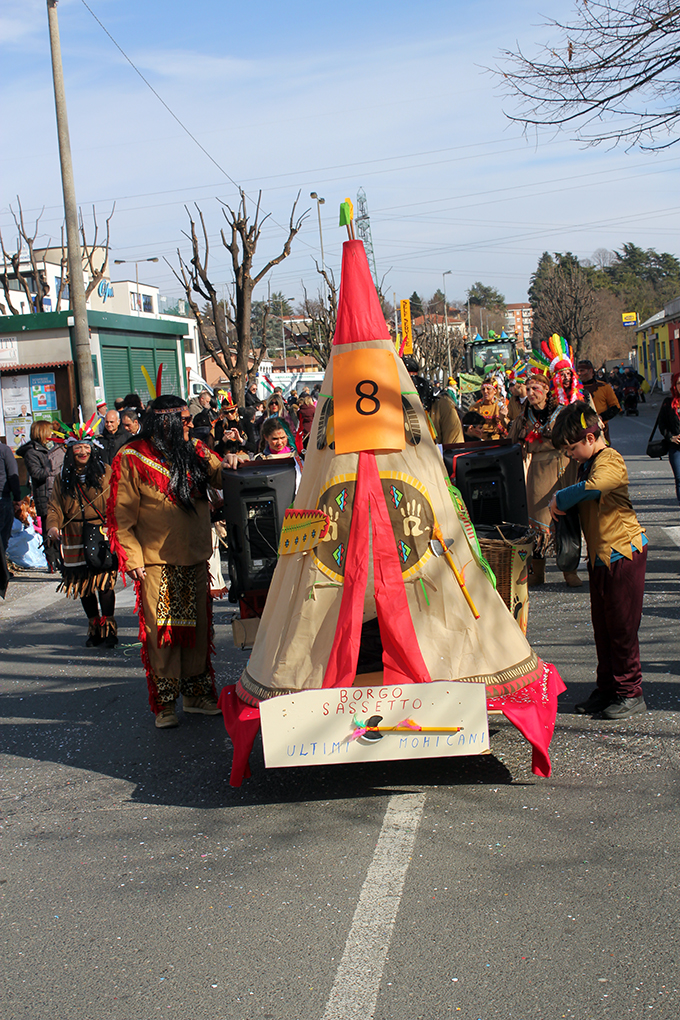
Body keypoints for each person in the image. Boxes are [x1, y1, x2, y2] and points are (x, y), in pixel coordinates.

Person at [107, 394, 232, 729]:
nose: (191, 424)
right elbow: (120, 515)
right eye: (185, 420)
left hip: (194, 556)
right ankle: (164, 702)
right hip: (155, 562)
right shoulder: (131, 457)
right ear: (167, 422)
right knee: (162, 633)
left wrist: (234, 458)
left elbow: (222, 477)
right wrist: (130, 556)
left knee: (198, 629)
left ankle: (196, 695)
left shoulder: (196, 451)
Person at [550, 401, 647, 719]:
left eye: (572, 447)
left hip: (623, 553)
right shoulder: (586, 462)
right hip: (601, 557)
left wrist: (561, 499)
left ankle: (630, 691)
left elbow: (596, 487)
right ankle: (608, 688)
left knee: (621, 628)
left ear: (591, 438)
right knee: (603, 629)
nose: (570, 454)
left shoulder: (610, 459)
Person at [46, 429, 118, 647]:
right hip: (74, 535)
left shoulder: (105, 472)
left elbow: (118, 498)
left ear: (93, 449)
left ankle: (109, 631)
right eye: (78, 447)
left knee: (104, 583)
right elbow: (54, 507)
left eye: (86, 447)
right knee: (84, 585)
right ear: (70, 451)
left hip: (100, 531)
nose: (83, 451)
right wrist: (52, 527)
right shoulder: (62, 478)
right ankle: (94, 629)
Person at [510, 365, 581, 587]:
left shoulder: (561, 412)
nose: (531, 393)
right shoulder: (524, 416)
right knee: (538, 525)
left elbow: (573, 437)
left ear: (547, 390)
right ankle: (537, 573)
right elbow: (514, 440)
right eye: (528, 389)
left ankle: (569, 572)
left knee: (565, 519)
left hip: (563, 467)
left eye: (535, 389)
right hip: (537, 471)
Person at [16, 420, 53, 541]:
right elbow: (37, 473)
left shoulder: (46, 449)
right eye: (50, 432)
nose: (52, 435)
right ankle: (51, 559)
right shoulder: (32, 452)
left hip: (52, 495)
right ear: (43, 433)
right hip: (44, 496)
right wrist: (51, 467)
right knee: (49, 533)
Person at [577, 359, 620, 439]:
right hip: (579, 430)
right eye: (578, 371)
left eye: (582, 371)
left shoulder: (604, 387)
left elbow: (615, 407)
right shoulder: (575, 389)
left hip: (601, 429)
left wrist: (600, 417)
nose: (579, 373)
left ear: (590, 371)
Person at [658, 371, 680, 509]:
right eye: (679, 383)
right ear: (674, 385)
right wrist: (671, 437)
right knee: (679, 477)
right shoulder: (668, 403)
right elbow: (662, 424)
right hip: (676, 447)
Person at [0, 440, 22, 553]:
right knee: (3, 535)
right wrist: (17, 498)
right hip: (2, 497)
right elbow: (13, 475)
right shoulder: (4, 450)